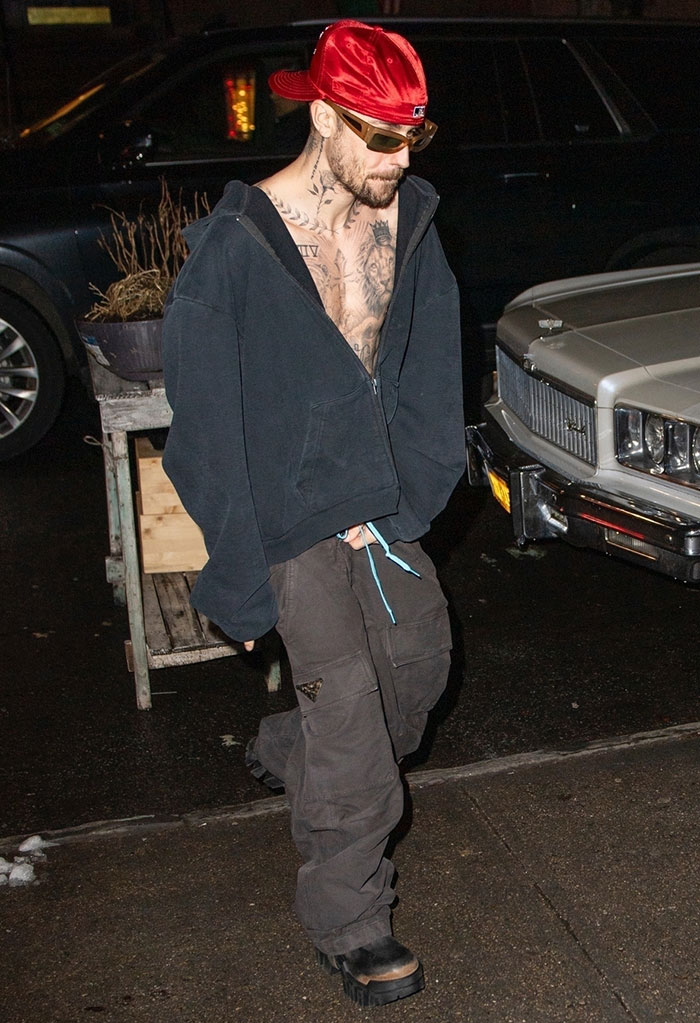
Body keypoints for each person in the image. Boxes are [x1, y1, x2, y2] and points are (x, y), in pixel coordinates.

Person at [161, 19, 465, 1007]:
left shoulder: (407, 219)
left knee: (415, 680)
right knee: (356, 746)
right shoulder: (240, 246)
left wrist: (424, 477)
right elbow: (203, 425)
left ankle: (287, 744)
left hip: (381, 505)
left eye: (411, 136)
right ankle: (352, 927)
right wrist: (237, 572)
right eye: (378, 135)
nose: (397, 158)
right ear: (324, 114)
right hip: (287, 516)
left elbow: (428, 359)